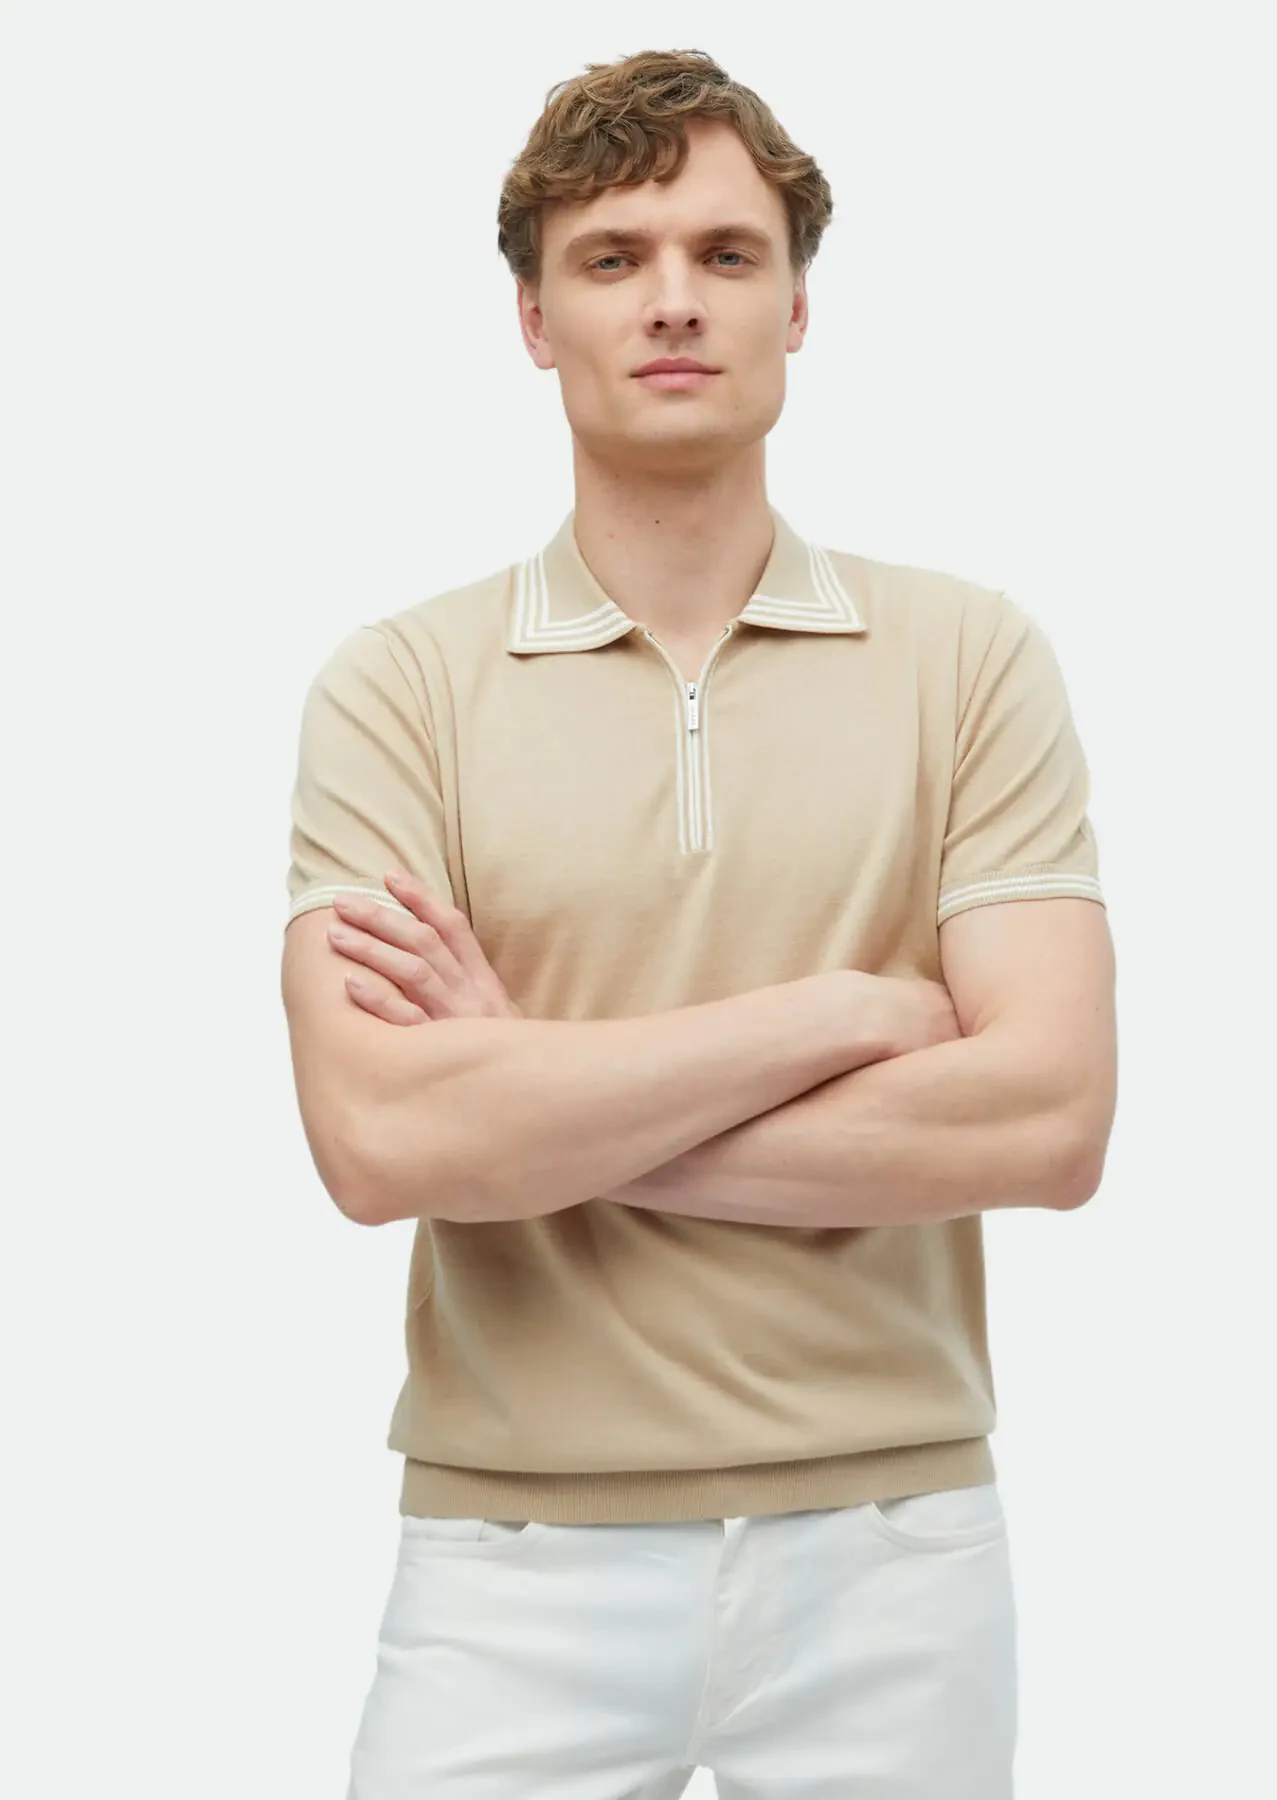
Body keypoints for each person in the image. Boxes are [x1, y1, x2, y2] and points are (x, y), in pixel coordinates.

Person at [280, 46, 1117, 1800]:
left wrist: (529, 1095)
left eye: (726, 255)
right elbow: (381, 1144)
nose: (674, 299)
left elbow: (1047, 1122)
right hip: (512, 1568)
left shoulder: (968, 660)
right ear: (534, 320)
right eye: (613, 258)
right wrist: (838, 1014)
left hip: (897, 1555)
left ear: (797, 308)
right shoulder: (400, 689)